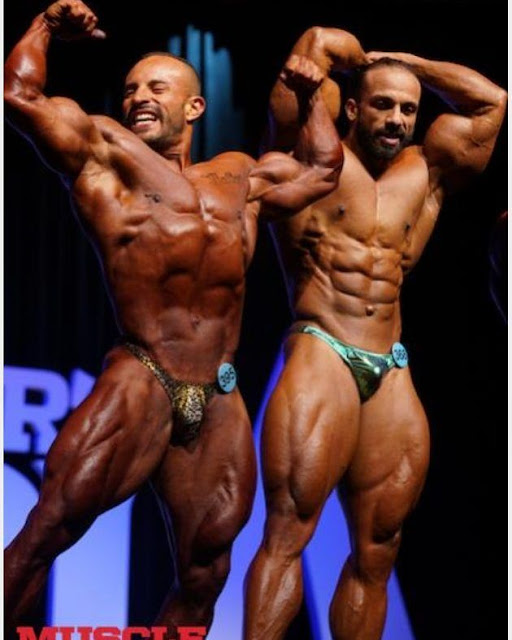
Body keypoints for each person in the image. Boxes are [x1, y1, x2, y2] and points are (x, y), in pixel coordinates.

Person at [4, 2, 343, 634]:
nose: (139, 98)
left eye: (156, 88)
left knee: (205, 572)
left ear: (194, 107)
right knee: (49, 528)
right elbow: (19, 97)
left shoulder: (239, 175)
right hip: (144, 373)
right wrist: (45, 27)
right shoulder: (106, 152)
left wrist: (312, 96)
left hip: (218, 394)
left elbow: (323, 170)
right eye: (132, 88)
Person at [243, 26, 507, 640]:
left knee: (378, 550)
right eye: (383, 104)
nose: (396, 120)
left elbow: (493, 102)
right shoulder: (310, 157)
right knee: (289, 531)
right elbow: (319, 41)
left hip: (391, 363)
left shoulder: (428, 169)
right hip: (322, 346)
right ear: (353, 108)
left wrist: (407, 62)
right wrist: (362, 63)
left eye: (408, 109)